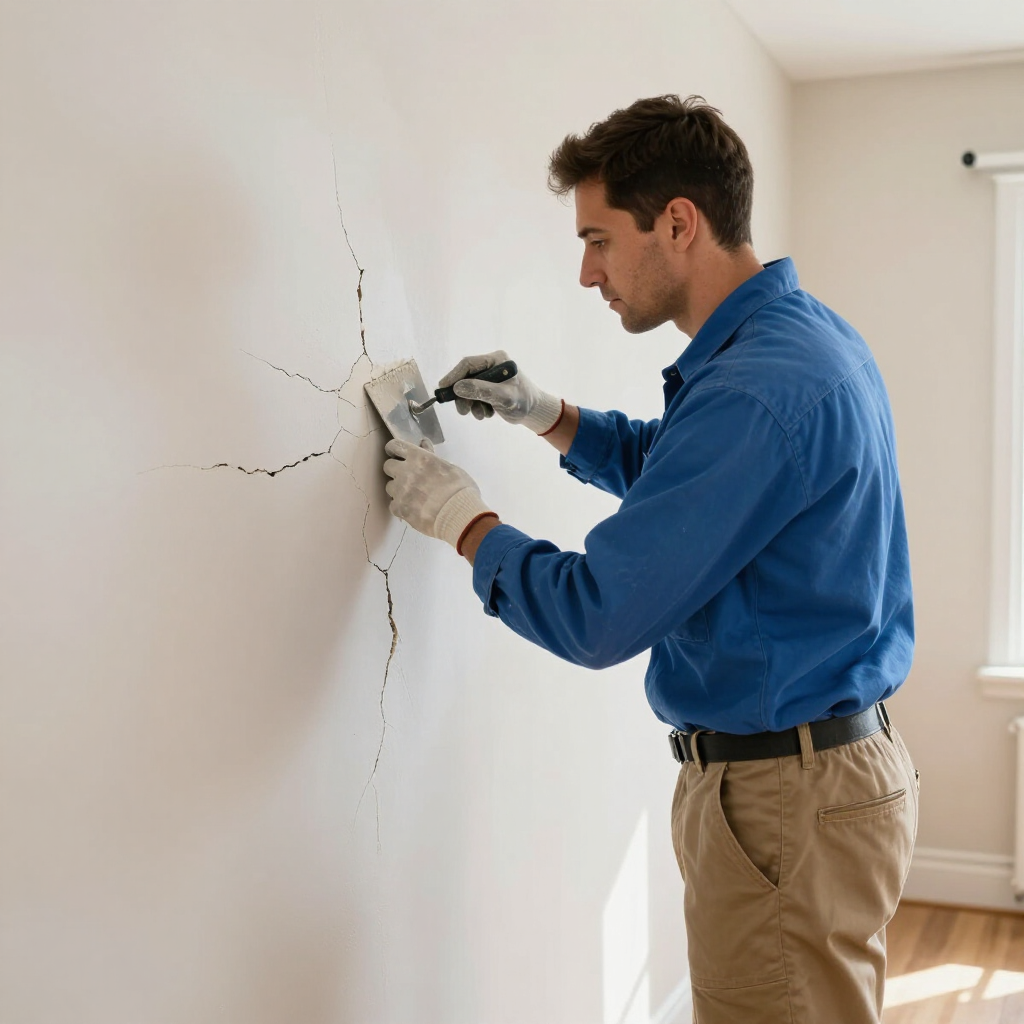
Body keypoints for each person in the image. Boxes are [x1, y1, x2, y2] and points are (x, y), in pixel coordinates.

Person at [381, 94, 919, 1024]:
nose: (588, 273)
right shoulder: (796, 341)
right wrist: (547, 414)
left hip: (786, 799)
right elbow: (697, 485)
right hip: (819, 774)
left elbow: (598, 615)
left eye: (597, 239)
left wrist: (467, 525)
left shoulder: (756, 387)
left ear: (678, 223)